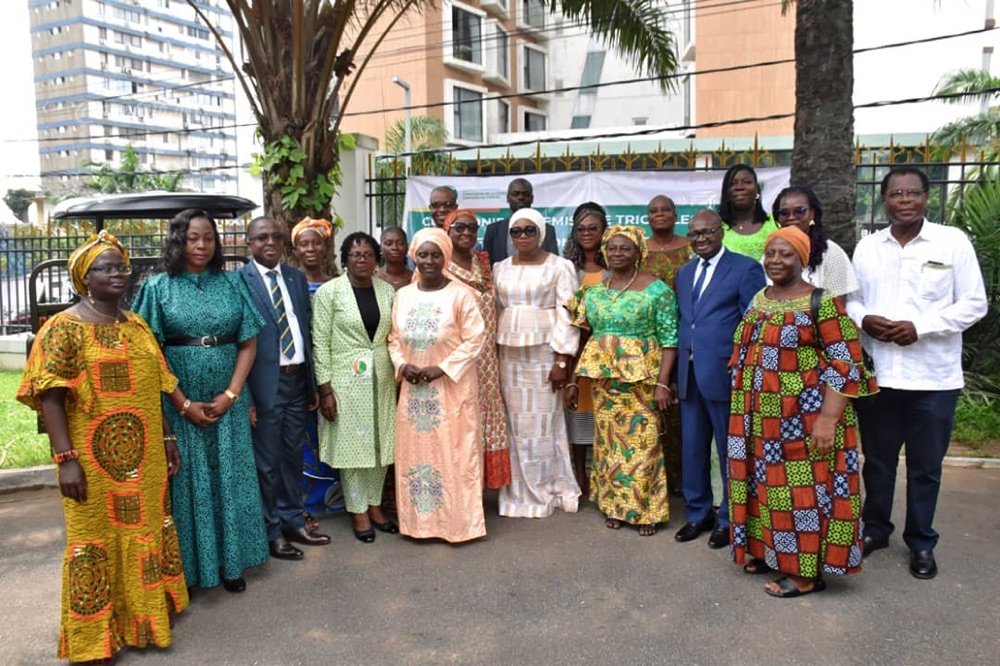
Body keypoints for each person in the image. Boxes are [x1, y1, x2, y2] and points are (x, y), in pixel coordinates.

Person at [17, 232, 189, 663]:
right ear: (83, 278)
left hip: (145, 457)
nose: (118, 274)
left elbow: (157, 387)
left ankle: (142, 623)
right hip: (92, 463)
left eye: (121, 267)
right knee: (93, 540)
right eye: (106, 268)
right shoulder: (61, 329)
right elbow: (50, 397)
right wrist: (65, 460)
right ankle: (94, 639)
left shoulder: (136, 325)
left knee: (142, 532)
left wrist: (168, 438)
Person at [847, 166, 988, 580]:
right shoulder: (868, 248)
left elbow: (974, 303)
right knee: (877, 462)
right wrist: (866, 319)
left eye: (912, 193)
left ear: (927, 198)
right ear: (884, 199)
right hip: (881, 377)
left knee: (926, 467)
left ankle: (922, 542)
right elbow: (852, 300)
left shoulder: (952, 242)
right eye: (895, 193)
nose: (904, 200)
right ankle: (875, 531)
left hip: (934, 381)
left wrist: (920, 327)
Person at [728, 226, 877, 597]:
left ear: (802, 259)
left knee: (801, 495)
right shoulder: (761, 298)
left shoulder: (821, 301)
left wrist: (828, 419)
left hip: (802, 418)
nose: (776, 261)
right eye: (772, 253)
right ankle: (769, 552)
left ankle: (805, 574)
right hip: (758, 419)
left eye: (786, 254)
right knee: (763, 487)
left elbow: (845, 362)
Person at [133, 209, 268, 593]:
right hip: (179, 404)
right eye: (193, 238)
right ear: (178, 241)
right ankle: (191, 569)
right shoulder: (158, 288)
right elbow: (150, 353)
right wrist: (181, 404)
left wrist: (230, 395)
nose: (201, 245)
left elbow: (249, 341)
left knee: (230, 476)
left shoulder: (232, 283)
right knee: (189, 481)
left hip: (227, 402)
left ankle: (230, 564)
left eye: (208, 238)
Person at [566, 225, 678, 536]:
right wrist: (574, 379)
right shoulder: (594, 292)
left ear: (638, 252)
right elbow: (585, 338)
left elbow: (670, 340)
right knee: (609, 447)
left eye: (625, 248)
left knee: (644, 445)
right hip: (605, 384)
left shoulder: (658, 291)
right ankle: (614, 507)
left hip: (643, 381)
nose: (617, 253)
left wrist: (663, 384)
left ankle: (647, 511)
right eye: (612, 248)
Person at [674, 209, 766, 549]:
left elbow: (752, 323)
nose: (700, 238)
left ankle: (729, 518)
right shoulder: (684, 273)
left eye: (707, 232)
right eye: (695, 233)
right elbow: (688, 322)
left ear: (721, 232)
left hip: (725, 373)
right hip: (689, 373)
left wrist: (740, 366)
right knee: (693, 447)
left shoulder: (745, 268)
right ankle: (698, 514)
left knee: (730, 449)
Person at [241, 217, 331, 560]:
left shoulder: (294, 277)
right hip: (264, 384)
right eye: (261, 237)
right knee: (267, 462)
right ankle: (272, 531)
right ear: (250, 243)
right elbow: (241, 340)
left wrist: (311, 386)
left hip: (296, 380)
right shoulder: (241, 282)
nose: (270, 242)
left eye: (276, 237)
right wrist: (245, 397)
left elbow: (304, 332)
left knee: (293, 457)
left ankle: (294, 520)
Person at [389, 228, 487, 542]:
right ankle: (419, 525)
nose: (429, 261)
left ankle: (458, 526)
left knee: (454, 455)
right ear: (414, 256)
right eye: (423, 254)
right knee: (417, 457)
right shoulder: (404, 295)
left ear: (445, 257)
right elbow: (392, 339)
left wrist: (441, 368)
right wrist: (402, 365)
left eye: (436, 254)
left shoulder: (461, 294)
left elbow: (475, 340)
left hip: (452, 392)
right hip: (413, 394)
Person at [494, 207, 582, 517]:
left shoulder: (561, 266)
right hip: (509, 357)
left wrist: (561, 360)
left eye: (529, 230)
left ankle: (548, 490)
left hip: (545, 353)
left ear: (541, 233)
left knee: (544, 424)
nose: (522, 236)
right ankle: (517, 494)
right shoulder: (499, 268)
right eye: (516, 231)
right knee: (515, 426)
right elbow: (494, 311)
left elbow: (569, 313)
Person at [313, 232, 398, 543]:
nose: (362, 259)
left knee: (380, 445)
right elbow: (320, 343)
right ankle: (358, 511)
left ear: (377, 259)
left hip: (383, 380)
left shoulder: (387, 291)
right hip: (345, 382)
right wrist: (325, 390)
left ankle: (375, 506)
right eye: (355, 254)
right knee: (352, 448)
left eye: (368, 254)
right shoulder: (329, 293)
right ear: (345, 259)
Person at [444, 209, 512, 489]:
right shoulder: (439, 264)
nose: (466, 233)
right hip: (456, 358)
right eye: (459, 227)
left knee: (486, 419)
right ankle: (460, 490)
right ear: (447, 231)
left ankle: (479, 490)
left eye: (472, 227)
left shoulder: (483, 263)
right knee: (460, 421)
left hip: (486, 359)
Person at [640, 194, 691, 494]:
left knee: (679, 407)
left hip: (682, 333)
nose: (659, 214)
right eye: (653, 210)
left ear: (675, 215)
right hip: (647, 340)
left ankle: (682, 483)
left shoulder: (688, 248)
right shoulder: (640, 251)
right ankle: (656, 481)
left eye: (665, 210)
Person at [291, 216, 338, 529]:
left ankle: (338, 497)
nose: (311, 249)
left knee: (333, 431)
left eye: (316, 242)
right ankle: (307, 501)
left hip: (336, 373)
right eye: (304, 244)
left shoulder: (339, 284)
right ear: (295, 249)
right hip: (300, 375)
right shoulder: (290, 285)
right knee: (305, 436)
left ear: (326, 247)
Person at [559, 202, 608, 495]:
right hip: (575, 350)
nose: (587, 233)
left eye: (593, 228)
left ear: (604, 231)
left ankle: (603, 480)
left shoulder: (613, 268)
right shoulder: (568, 269)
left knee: (603, 419)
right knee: (576, 412)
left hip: (604, 352)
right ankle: (579, 477)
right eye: (581, 229)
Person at [771, 186, 858, 297]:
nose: (791, 217)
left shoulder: (831, 253)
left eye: (799, 211)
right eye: (784, 213)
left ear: (812, 213)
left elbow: (838, 306)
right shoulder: (771, 253)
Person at [482, 178, 559, 266]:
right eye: (515, 194)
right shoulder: (493, 230)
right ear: (508, 198)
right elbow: (486, 266)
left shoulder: (547, 229)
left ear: (532, 198)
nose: (521, 198)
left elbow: (553, 263)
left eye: (525, 194)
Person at [719, 164, 775, 260]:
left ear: (757, 189)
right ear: (726, 192)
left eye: (747, 182)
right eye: (732, 183)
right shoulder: (717, 226)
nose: (739, 187)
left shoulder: (775, 224)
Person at [376, 226, 413, 291]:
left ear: (407, 247)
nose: (395, 247)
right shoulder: (374, 278)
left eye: (400, 243)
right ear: (380, 248)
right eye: (389, 243)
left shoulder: (415, 278)